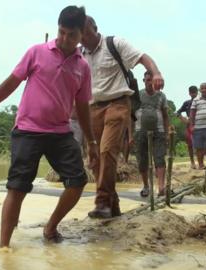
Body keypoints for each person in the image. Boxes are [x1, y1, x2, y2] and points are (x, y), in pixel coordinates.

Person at [0, 6, 98, 248]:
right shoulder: (36, 53)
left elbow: (82, 108)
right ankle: (4, 248)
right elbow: (10, 83)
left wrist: (91, 143)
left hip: (60, 133)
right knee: (18, 187)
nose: (65, 39)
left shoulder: (83, 67)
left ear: (82, 35)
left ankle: (50, 228)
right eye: (61, 32)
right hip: (28, 130)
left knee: (77, 181)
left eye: (71, 35)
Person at [81, 16, 164, 218]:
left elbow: (144, 58)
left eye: (86, 31)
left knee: (107, 150)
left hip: (117, 104)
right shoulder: (78, 55)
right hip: (92, 108)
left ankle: (101, 201)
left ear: (95, 28)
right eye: (79, 33)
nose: (83, 37)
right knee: (95, 160)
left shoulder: (114, 43)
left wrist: (155, 72)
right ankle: (113, 204)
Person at [134, 71, 169, 197]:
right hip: (140, 131)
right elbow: (130, 115)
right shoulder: (138, 95)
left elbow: (165, 115)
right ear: (144, 81)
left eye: (151, 80)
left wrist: (166, 133)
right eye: (147, 80)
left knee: (159, 158)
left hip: (158, 131)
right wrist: (128, 135)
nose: (149, 83)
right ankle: (146, 186)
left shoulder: (161, 96)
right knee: (142, 160)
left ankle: (161, 187)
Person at [176, 85, 198, 169]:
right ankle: (192, 162)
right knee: (190, 145)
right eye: (191, 93)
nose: (193, 94)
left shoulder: (200, 102)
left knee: (202, 144)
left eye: (194, 93)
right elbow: (178, 112)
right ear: (189, 93)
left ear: (197, 92)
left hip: (199, 125)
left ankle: (202, 162)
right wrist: (183, 119)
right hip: (189, 125)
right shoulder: (187, 103)